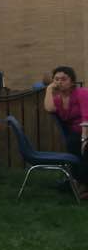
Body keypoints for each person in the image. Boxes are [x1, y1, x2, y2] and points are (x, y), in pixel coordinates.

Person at [44, 65, 88, 197]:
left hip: (85, 130)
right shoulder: (58, 99)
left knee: (83, 147)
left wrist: (84, 139)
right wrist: (49, 89)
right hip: (74, 134)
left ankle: (82, 184)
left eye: (64, 79)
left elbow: (86, 116)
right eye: (56, 79)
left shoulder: (82, 93)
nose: (59, 82)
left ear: (72, 81)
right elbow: (49, 108)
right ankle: (79, 183)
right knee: (73, 143)